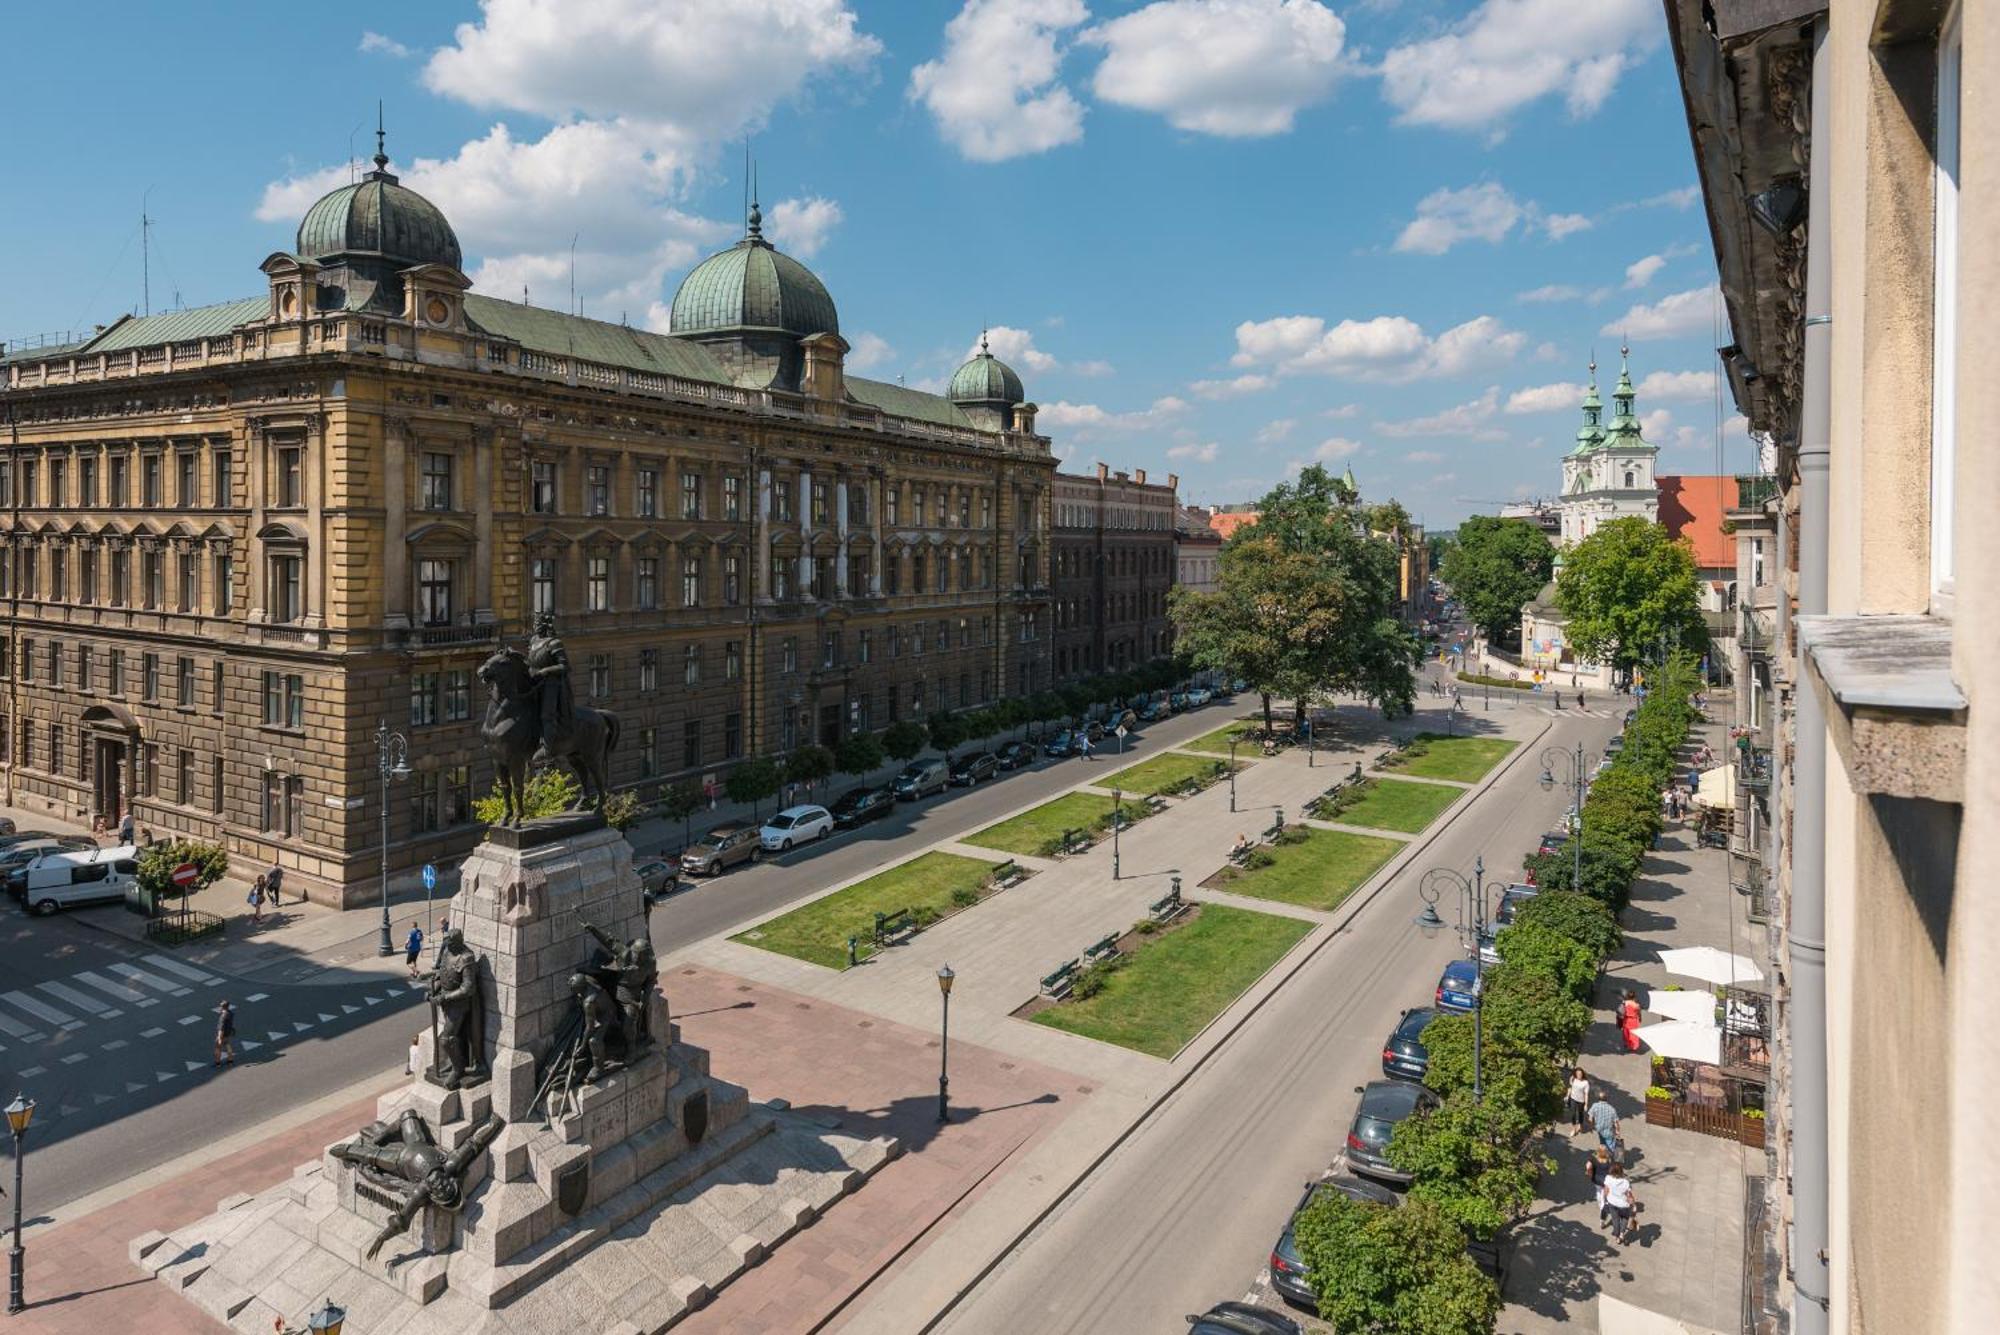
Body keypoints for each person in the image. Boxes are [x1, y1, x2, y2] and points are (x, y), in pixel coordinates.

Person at [1600, 1161, 1638, 1244]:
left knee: (1615, 1220)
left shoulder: (1608, 1178)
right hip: (1624, 1205)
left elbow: (1606, 1190)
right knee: (1624, 1219)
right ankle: (1621, 1234)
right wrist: (1634, 1205)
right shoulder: (1625, 1182)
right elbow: (1629, 1196)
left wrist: (1605, 1199)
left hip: (1612, 1203)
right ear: (1621, 1171)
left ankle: (1617, 1237)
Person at [1567, 1069, 1592, 1135]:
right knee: (1573, 1114)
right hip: (1573, 1099)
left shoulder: (1585, 1083)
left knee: (1580, 1113)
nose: (1579, 1075)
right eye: (1577, 1074)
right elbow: (1571, 1085)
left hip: (1581, 1101)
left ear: (1582, 1074)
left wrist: (1586, 1104)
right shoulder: (1574, 1079)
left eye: (1580, 1074)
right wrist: (1568, 1095)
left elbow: (1586, 1094)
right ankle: (1574, 1129)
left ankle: (1580, 1125)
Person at [213, 1000, 237, 1066]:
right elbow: (230, 1023)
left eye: (220, 1006)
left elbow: (221, 1028)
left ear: (222, 1007)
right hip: (228, 1032)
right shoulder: (230, 1013)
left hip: (222, 1033)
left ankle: (218, 1063)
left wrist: (219, 1037)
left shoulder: (223, 1016)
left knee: (218, 1047)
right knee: (227, 1044)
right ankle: (230, 1061)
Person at [1619, 989, 1643, 1053]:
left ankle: (1627, 1043)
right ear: (1634, 997)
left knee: (1626, 1032)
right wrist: (1640, 1018)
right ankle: (1633, 1046)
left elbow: (1621, 1010)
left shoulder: (1625, 1003)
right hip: (1633, 1020)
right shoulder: (1636, 1005)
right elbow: (1639, 1013)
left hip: (1626, 1019)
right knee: (1633, 1033)